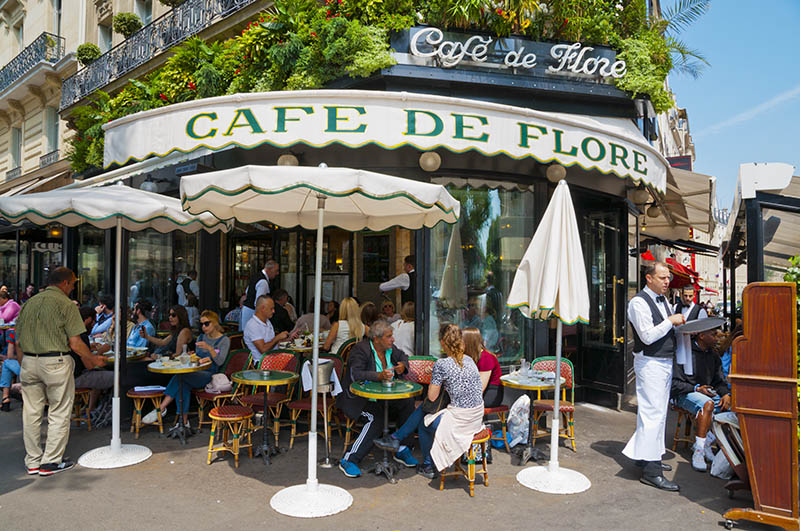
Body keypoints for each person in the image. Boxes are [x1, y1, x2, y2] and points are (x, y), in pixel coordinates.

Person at [15, 267, 106, 476]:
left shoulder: (29, 303)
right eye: (73, 284)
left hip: (29, 360)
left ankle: (33, 461)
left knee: (31, 413)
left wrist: (24, 364)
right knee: (59, 411)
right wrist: (92, 359)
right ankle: (51, 462)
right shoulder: (65, 304)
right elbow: (75, 343)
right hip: (55, 361)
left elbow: (18, 341)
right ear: (65, 283)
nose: (73, 288)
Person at [374, 324, 484, 479]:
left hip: (460, 420)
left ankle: (422, 460)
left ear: (443, 343)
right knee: (426, 411)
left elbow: (432, 396)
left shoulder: (442, 364)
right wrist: (437, 372)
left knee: (425, 421)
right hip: (476, 417)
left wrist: (435, 375)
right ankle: (398, 441)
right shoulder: (469, 360)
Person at [622, 261, 686, 492]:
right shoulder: (638, 302)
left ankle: (649, 456)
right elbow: (647, 336)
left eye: (668, 277)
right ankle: (651, 471)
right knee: (652, 414)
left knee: (657, 414)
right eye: (662, 277)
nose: (667, 281)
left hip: (663, 362)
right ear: (648, 278)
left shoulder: (664, 300)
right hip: (650, 362)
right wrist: (670, 321)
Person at [337, 319, 416, 478]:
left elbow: (404, 357)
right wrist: (379, 376)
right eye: (388, 336)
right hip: (358, 400)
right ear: (376, 339)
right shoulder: (361, 350)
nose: (392, 339)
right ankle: (349, 458)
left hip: (382, 398)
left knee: (407, 403)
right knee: (376, 418)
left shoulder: (390, 349)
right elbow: (356, 374)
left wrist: (402, 365)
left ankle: (401, 448)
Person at [142, 311, 230, 428]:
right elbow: (197, 356)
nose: (203, 327)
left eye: (206, 324)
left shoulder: (224, 340)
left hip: (210, 374)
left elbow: (220, 361)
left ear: (214, 323)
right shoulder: (201, 337)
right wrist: (191, 355)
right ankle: (183, 422)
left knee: (181, 378)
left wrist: (209, 348)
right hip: (195, 370)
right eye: (201, 324)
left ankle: (161, 409)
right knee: (182, 381)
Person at [671, 320, 731, 472]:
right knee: (708, 405)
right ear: (702, 336)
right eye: (713, 335)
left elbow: (719, 380)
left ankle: (706, 443)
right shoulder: (684, 351)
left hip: (706, 393)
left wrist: (725, 394)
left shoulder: (713, 354)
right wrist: (696, 388)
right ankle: (698, 451)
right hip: (684, 394)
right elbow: (674, 384)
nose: (717, 338)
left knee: (732, 404)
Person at [72, 306, 114, 417]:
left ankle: (90, 408)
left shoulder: (74, 334)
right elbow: (89, 366)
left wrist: (90, 348)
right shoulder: (82, 336)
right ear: (87, 319)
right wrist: (100, 352)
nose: (94, 324)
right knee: (118, 377)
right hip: (77, 378)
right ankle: (107, 412)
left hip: (68, 375)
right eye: (93, 321)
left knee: (99, 376)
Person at [244, 295, 292, 364]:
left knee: (295, 358)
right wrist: (277, 337)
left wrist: (289, 338)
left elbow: (272, 344)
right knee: (294, 362)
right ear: (263, 308)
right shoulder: (253, 325)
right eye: (271, 309)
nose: (273, 311)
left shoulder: (267, 322)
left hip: (273, 358)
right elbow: (263, 350)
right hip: (261, 363)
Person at [462, 327, 503, 408]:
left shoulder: (486, 358)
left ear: (468, 342)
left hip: (490, 393)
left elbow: (480, 388)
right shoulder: (469, 356)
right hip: (474, 389)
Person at [240, 260, 279, 331]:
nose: (277, 273)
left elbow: (246, 292)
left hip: (246, 310)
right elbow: (259, 303)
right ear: (269, 270)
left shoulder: (256, 276)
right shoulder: (263, 282)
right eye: (276, 271)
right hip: (252, 313)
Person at [0, 327, 19, 411]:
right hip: (49, 365)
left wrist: (18, 358)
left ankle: (5, 397)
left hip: (26, 368)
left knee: (7, 363)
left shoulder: (15, 332)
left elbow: (10, 355)